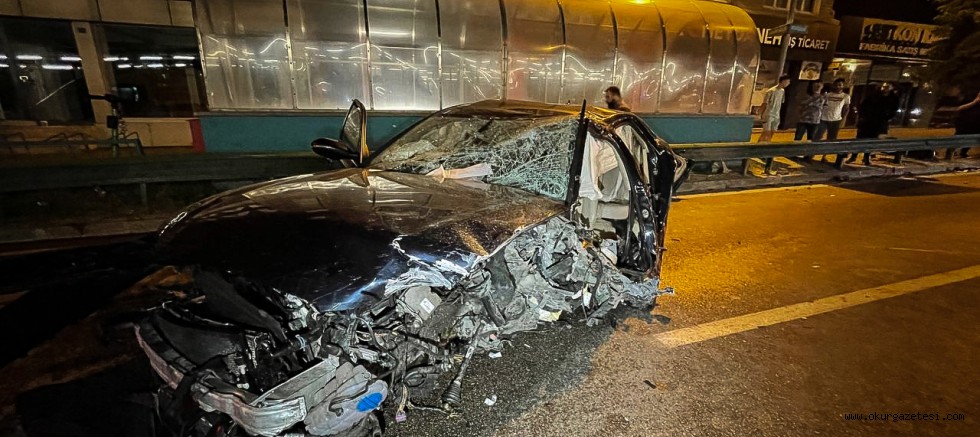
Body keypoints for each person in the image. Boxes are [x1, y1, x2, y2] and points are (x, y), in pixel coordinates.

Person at [850, 83, 900, 165]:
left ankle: (866, 158)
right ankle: (853, 156)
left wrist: (886, 118)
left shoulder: (893, 98)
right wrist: (862, 116)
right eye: (884, 86)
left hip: (879, 122)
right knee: (860, 139)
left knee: (871, 140)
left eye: (887, 87)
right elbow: (863, 106)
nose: (885, 88)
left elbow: (894, 110)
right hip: (867, 121)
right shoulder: (874, 96)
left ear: (891, 88)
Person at [758, 74, 792, 142]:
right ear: (783, 81)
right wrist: (760, 114)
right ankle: (759, 145)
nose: (788, 83)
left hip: (776, 114)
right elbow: (765, 103)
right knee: (766, 132)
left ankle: (767, 144)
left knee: (772, 132)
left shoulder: (782, 91)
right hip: (769, 114)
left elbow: (781, 102)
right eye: (788, 81)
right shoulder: (771, 91)